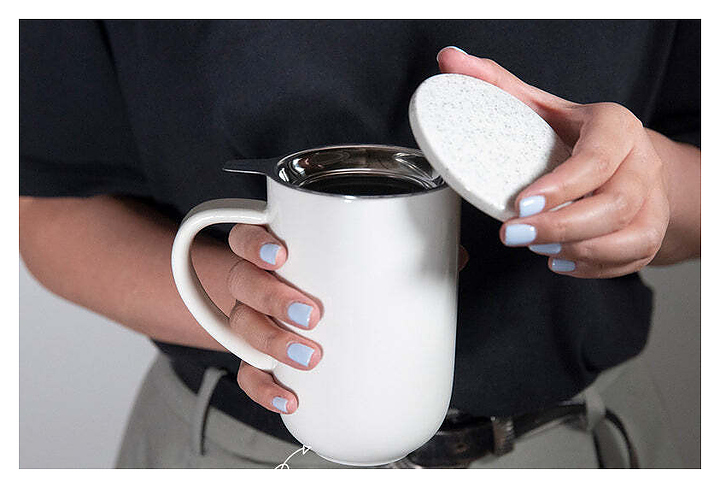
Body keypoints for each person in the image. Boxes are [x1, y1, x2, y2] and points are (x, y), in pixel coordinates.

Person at [19, 20, 700, 468]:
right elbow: (46, 209)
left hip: (580, 450)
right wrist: (238, 301)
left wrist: (645, 187)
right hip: (232, 453)